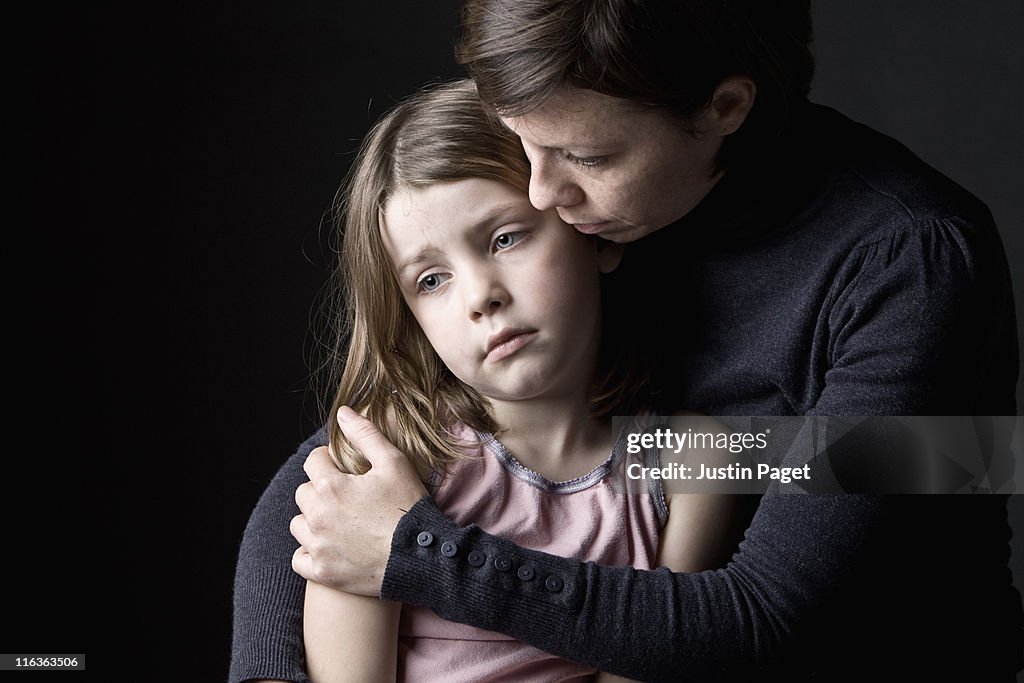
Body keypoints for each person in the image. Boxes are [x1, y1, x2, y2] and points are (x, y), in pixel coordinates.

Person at [231, 1, 1023, 681]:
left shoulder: (908, 261)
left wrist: (424, 552)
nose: (543, 192)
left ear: (724, 109)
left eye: (585, 156)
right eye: (527, 146)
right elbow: (350, 471)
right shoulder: (599, 212)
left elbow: (766, 612)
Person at [233, 78, 749, 683]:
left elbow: (868, 459)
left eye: (506, 238)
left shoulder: (692, 461)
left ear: (594, 233)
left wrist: (421, 555)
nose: (481, 296)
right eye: (431, 280)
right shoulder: (395, 459)